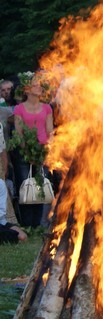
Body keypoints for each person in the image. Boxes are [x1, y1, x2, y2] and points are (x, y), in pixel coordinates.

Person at [13, 73, 54, 227]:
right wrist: (28, 152)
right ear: (27, 89)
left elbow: (50, 130)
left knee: (42, 187)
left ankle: (39, 224)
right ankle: (28, 224)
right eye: (36, 85)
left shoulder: (47, 107)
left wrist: (49, 149)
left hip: (43, 152)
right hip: (25, 153)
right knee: (26, 186)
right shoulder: (19, 109)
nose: (39, 87)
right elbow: (19, 133)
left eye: (40, 85)